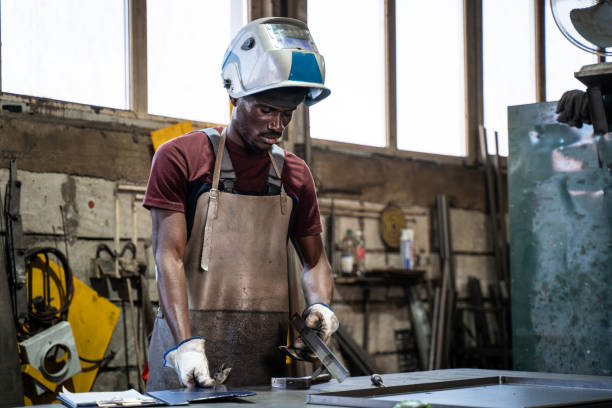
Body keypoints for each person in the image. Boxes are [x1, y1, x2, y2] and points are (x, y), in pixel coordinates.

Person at [143, 16, 338, 390]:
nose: (277, 125)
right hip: (187, 360)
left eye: (287, 113)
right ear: (234, 96)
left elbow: (315, 262)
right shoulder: (181, 159)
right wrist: (185, 346)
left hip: (267, 361)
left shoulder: (295, 176)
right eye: (266, 109)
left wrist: (321, 307)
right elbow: (168, 257)